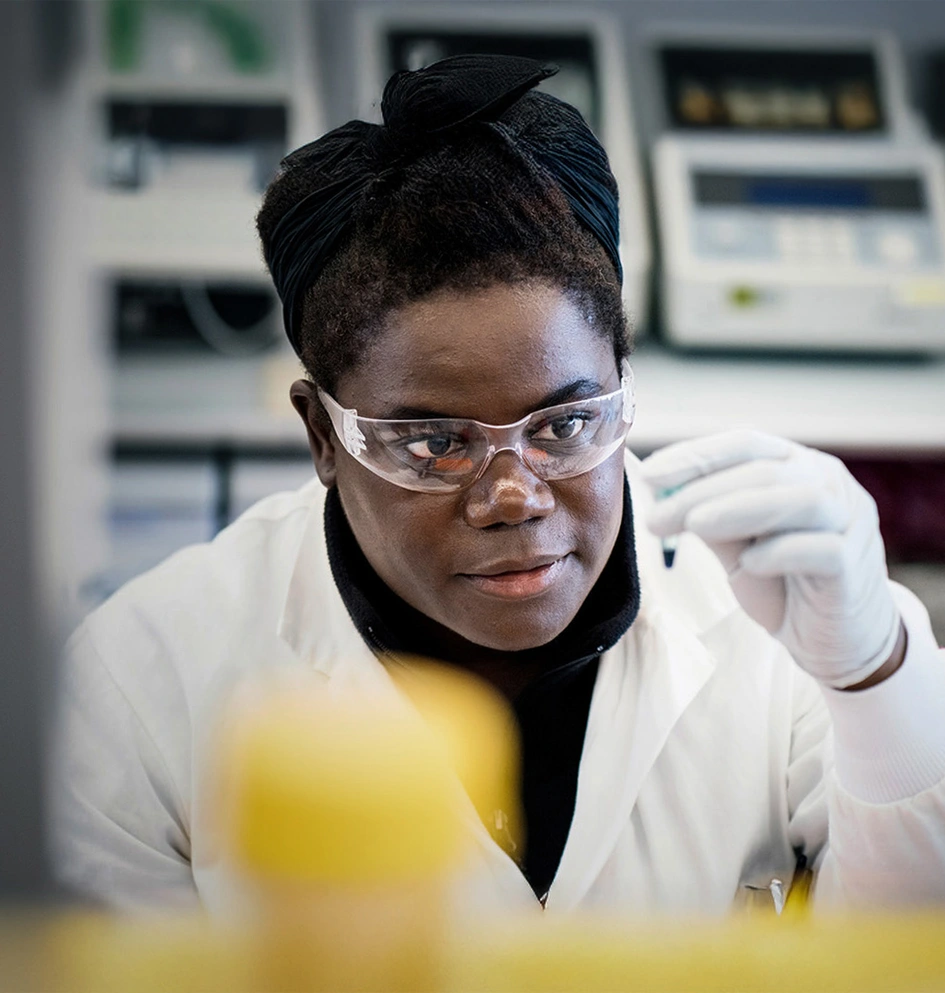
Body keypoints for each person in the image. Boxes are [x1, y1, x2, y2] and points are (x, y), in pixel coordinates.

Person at [51, 55, 945, 915]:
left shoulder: (770, 618)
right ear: (323, 434)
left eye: (564, 425)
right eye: (434, 442)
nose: (513, 495)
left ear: (623, 385)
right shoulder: (145, 683)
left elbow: (910, 950)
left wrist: (874, 673)